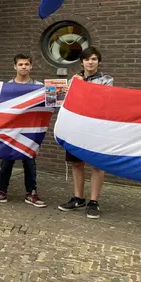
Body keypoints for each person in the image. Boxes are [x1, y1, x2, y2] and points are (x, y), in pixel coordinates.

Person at [0, 54, 46, 207]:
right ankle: (1, 191)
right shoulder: (6, 87)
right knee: (7, 160)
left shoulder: (39, 86)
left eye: (26, 64)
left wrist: (63, 89)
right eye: (21, 64)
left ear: (31, 66)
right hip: (10, 130)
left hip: (29, 130)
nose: (24, 67)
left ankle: (32, 193)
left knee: (29, 161)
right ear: (15, 67)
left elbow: (53, 103)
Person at [58, 46, 114, 219]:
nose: (91, 62)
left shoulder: (107, 80)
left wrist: (81, 87)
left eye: (94, 59)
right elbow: (62, 103)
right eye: (87, 59)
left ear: (98, 61)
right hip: (76, 127)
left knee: (97, 165)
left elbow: (104, 102)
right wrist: (66, 90)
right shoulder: (73, 80)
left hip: (96, 128)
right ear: (81, 62)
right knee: (76, 163)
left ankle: (94, 201)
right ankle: (78, 197)